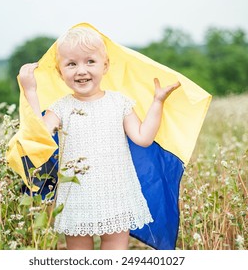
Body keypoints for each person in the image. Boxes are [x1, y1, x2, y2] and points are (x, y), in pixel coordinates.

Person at [17, 27, 181, 250]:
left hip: (116, 192)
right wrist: (31, 93)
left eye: (90, 61)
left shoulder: (119, 102)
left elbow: (143, 138)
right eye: (71, 64)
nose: (81, 70)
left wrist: (157, 103)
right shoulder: (61, 108)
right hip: (77, 195)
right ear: (59, 71)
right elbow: (40, 137)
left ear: (105, 66)